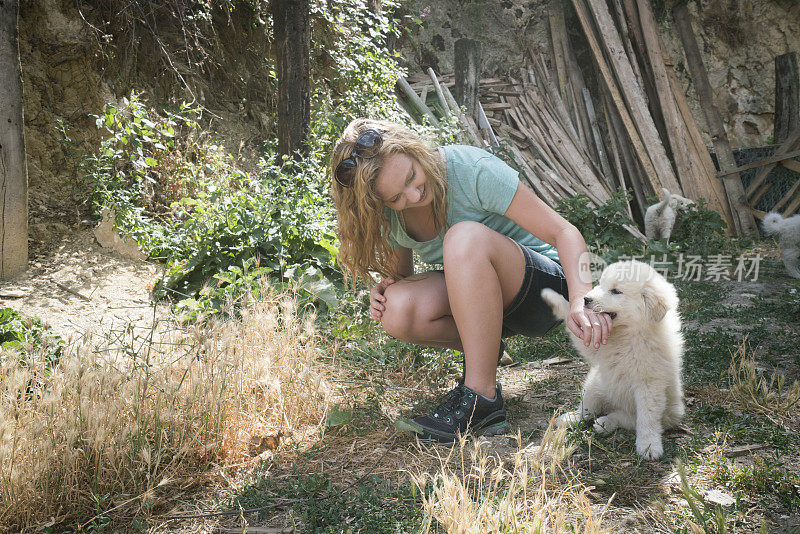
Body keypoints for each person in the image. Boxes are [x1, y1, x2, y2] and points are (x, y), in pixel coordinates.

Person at [330, 118, 612, 442]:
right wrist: (386, 287)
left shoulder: (470, 169)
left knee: (462, 238)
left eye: (411, 176)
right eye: (396, 197)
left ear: (414, 150)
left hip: (545, 289)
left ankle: (481, 396)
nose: (413, 193)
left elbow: (565, 232)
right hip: (483, 301)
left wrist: (581, 299)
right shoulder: (389, 215)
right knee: (396, 308)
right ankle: (485, 360)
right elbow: (402, 276)